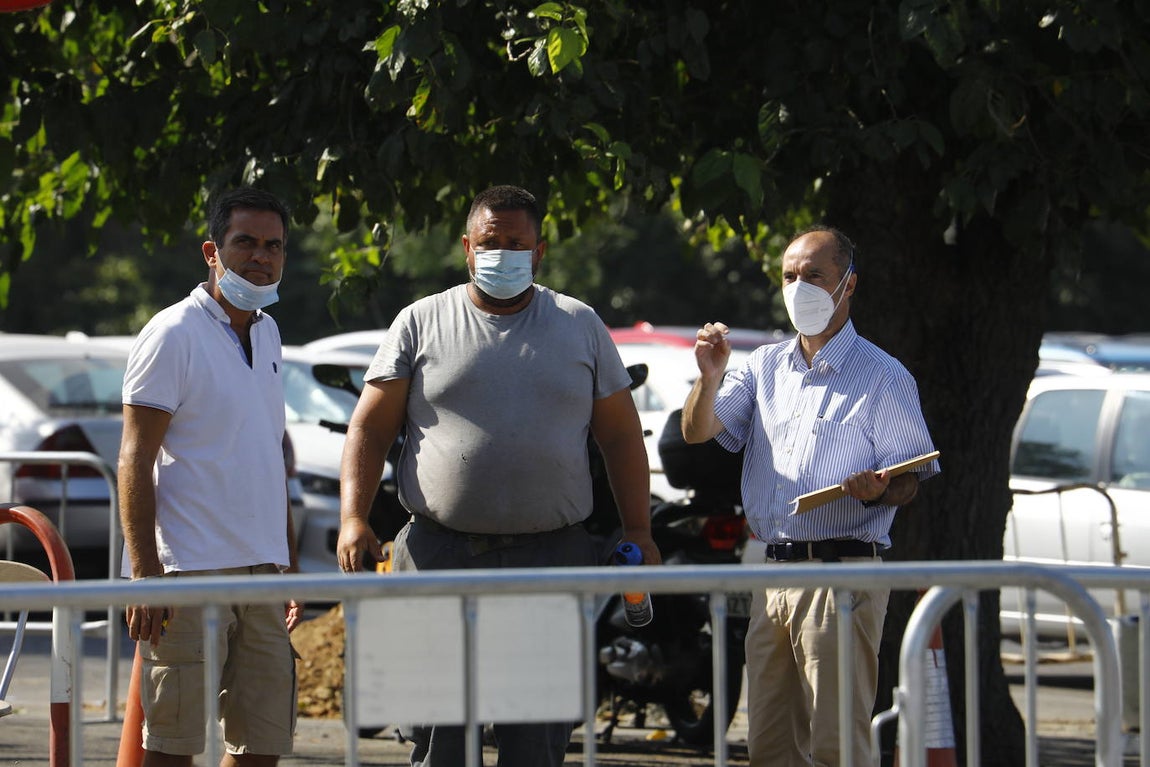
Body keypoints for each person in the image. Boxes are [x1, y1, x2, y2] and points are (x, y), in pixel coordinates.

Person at [336, 184, 659, 767]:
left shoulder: (578, 324)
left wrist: (639, 529)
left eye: (517, 243)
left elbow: (619, 436)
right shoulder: (420, 321)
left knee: (536, 739)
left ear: (538, 253)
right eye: (491, 242)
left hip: (550, 559)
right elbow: (370, 429)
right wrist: (354, 517)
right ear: (466, 246)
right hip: (437, 556)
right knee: (439, 737)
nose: (503, 253)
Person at [681, 225, 939, 767]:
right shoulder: (763, 366)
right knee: (769, 745)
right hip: (773, 573)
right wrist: (708, 377)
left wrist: (878, 489)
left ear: (848, 285)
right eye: (789, 276)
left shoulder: (884, 376)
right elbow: (699, 432)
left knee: (835, 744)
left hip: (843, 574)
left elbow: (912, 479)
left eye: (814, 276)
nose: (800, 287)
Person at [119, 187, 303, 767]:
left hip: (262, 575)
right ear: (212, 251)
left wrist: (287, 565)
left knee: (261, 747)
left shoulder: (269, 333)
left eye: (273, 245)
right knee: (173, 748)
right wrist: (147, 575)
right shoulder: (173, 332)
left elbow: (269, 456)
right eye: (244, 242)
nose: (260, 257)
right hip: (189, 571)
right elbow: (134, 458)